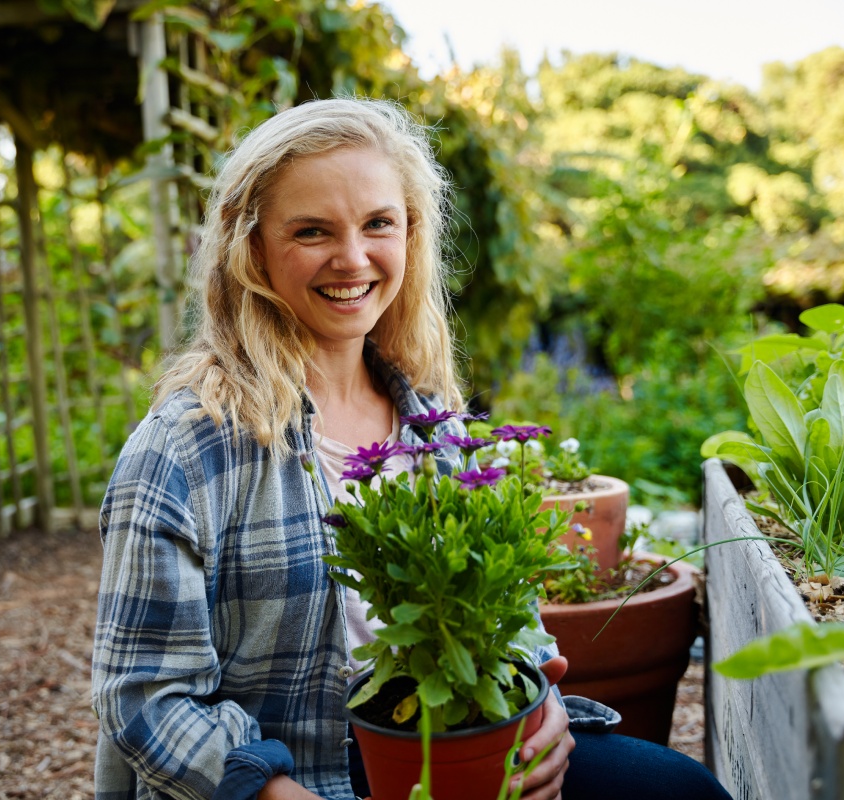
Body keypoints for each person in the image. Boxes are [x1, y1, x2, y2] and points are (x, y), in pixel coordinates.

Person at [91, 97, 731, 800]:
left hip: (459, 751)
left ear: (411, 235)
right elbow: (144, 699)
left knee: (679, 792)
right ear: (252, 250)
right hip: (292, 777)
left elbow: (507, 618)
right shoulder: (187, 448)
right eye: (311, 231)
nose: (353, 258)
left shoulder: (433, 424)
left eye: (378, 224)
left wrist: (539, 708)